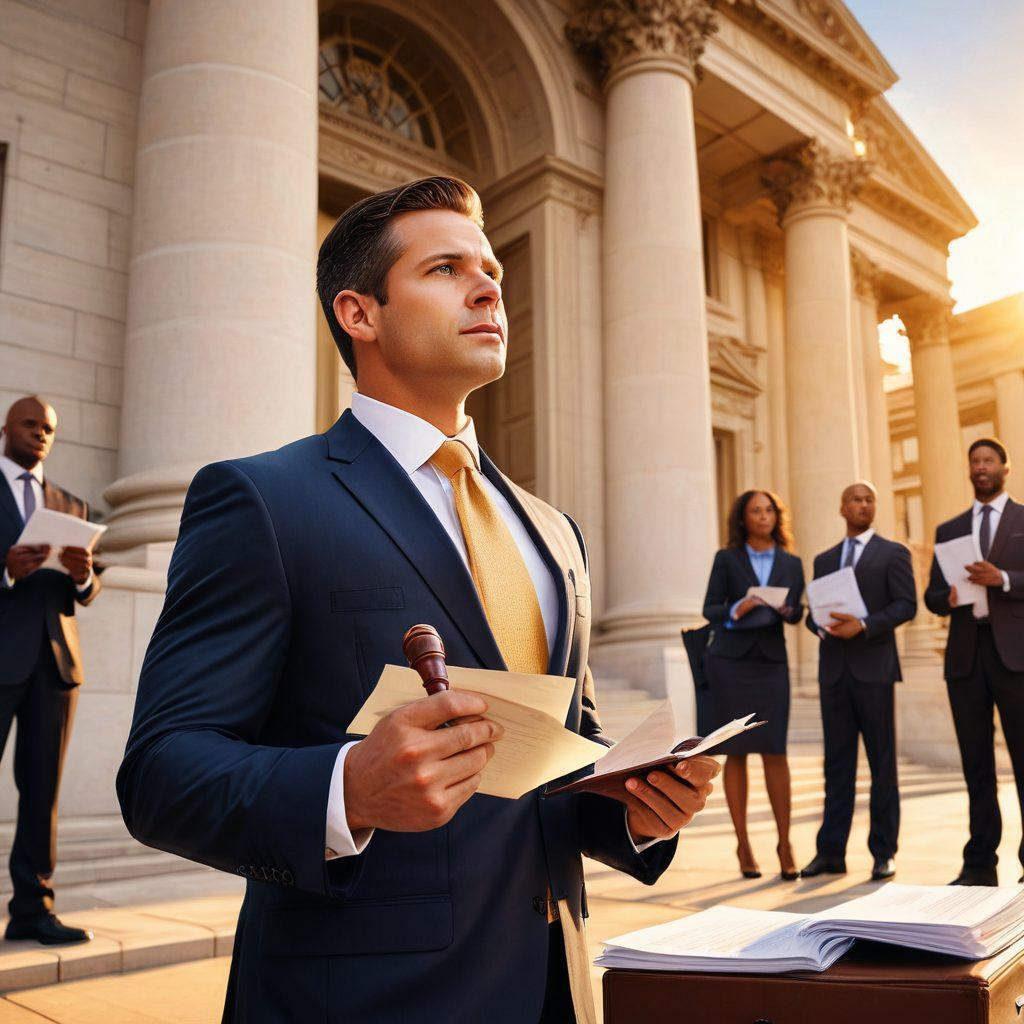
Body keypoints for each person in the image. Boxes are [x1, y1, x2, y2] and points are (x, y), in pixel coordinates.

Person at [116, 176, 719, 1024]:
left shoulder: (555, 532)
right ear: (359, 314)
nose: (487, 288)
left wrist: (634, 806)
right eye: (445, 268)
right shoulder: (263, 499)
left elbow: (555, 758)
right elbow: (161, 775)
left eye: (494, 273)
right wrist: (348, 788)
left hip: (554, 989)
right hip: (359, 999)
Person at [1, 396, 100, 945]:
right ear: (6, 429)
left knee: (43, 792)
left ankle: (32, 910)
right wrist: (6, 571)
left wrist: (84, 575)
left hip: (56, 666)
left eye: (49, 428)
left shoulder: (70, 505)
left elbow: (87, 591)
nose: (40, 433)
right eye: (30, 424)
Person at [800, 482, 917, 882]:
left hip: (875, 670)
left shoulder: (893, 553)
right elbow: (812, 612)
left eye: (869, 500)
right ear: (842, 506)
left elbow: (906, 605)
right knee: (837, 765)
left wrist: (863, 625)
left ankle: (884, 852)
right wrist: (819, 624)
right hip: (834, 672)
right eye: (855, 499)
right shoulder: (824, 559)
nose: (863, 505)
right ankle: (830, 852)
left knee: (882, 763)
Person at [924, 438, 1024, 887]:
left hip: (1016, 657)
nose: (981, 467)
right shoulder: (949, 529)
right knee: (976, 763)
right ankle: (979, 862)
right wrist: (943, 599)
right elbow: (930, 595)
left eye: (989, 461)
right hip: (966, 658)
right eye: (975, 462)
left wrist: (1001, 578)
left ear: (1005, 468)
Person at [701, 490, 805, 880]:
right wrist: (736, 608)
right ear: (743, 519)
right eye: (755, 511)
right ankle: (743, 844)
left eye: (769, 511)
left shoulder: (792, 563)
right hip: (730, 663)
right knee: (738, 753)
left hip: (771, 663)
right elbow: (709, 608)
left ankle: (785, 842)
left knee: (776, 751)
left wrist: (786, 609)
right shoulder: (726, 558)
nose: (764, 517)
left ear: (777, 517)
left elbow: (797, 614)